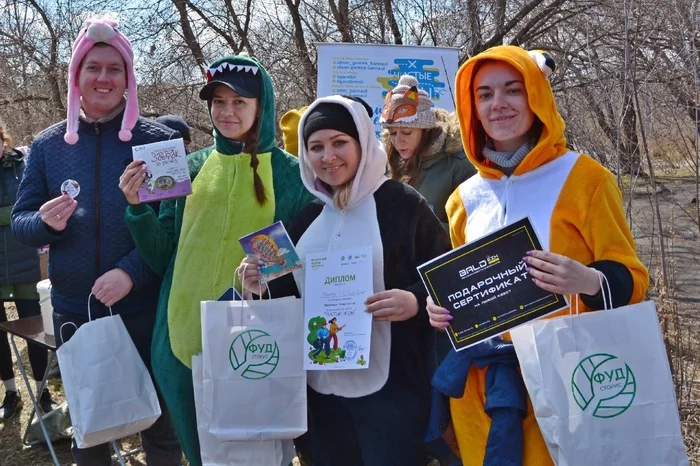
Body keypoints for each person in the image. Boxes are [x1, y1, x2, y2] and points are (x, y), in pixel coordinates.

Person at [426, 45, 650, 466]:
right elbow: (463, 285)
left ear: (536, 94)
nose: (499, 104)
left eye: (513, 90)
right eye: (485, 95)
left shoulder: (585, 179)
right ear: (471, 107)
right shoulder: (463, 199)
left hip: (567, 386)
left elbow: (632, 278)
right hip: (483, 391)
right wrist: (441, 308)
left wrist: (586, 280)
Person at [119, 54, 315, 466]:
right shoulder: (186, 167)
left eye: (239, 102)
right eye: (218, 101)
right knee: (201, 454)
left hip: (255, 345)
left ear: (261, 107)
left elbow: (299, 263)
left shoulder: (293, 174)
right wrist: (137, 209)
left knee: (255, 453)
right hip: (180, 340)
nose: (227, 111)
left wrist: (266, 274)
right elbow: (161, 258)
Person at [240, 95, 452, 466]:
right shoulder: (306, 218)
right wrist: (260, 287)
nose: (328, 156)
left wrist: (415, 302)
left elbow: (447, 277)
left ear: (362, 142)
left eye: (340, 142)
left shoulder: (402, 204)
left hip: (392, 394)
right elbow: (288, 298)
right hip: (320, 399)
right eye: (316, 147)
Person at [11, 19, 182, 465]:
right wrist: (45, 225)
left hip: (146, 308)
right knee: (92, 430)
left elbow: (174, 232)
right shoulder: (48, 145)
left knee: (160, 427)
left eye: (114, 68)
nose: (103, 78)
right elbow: (21, 223)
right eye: (93, 68)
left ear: (128, 78)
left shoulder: (160, 143)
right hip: (76, 310)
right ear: (76, 76)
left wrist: (130, 272)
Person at [0, 121, 54, 419]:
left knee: (36, 332)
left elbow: (34, 208)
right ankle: (10, 391)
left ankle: (43, 391)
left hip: (27, 265)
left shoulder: (24, 165)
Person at [381, 75, 475, 229]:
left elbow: (471, 228)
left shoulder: (458, 166)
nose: (398, 141)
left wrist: (425, 230)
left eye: (406, 132)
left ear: (425, 130)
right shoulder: (386, 164)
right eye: (392, 133)